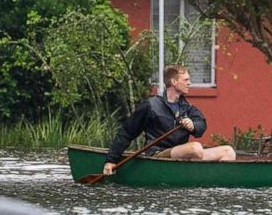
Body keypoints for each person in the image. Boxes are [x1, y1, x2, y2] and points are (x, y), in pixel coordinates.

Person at [102, 65, 238, 175]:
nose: (190, 83)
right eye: (186, 80)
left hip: (183, 154)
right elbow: (127, 132)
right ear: (174, 82)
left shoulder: (187, 107)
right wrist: (111, 160)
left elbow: (201, 125)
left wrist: (193, 125)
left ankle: (210, 180)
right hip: (158, 154)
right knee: (195, 148)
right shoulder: (150, 106)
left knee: (228, 151)